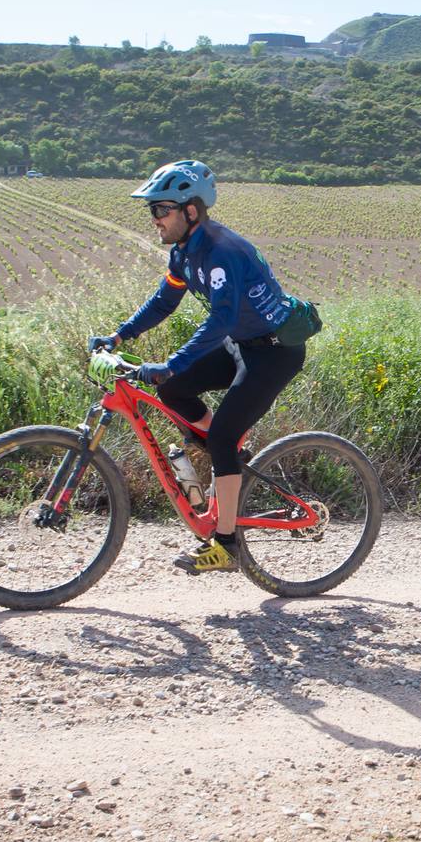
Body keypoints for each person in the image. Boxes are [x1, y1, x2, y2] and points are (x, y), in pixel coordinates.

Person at [89, 160, 302, 574]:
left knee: (220, 433)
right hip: (242, 344)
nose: (154, 219)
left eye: (160, 209)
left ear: (191, 210)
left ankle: (226, 546)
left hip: (275, 352)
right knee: (174, 390)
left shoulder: (222, 252)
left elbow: (219, 320)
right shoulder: (185, 253)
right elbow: (164, 302)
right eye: (151, 210)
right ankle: (229, 458)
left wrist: (170, 363)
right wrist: (119, 336)